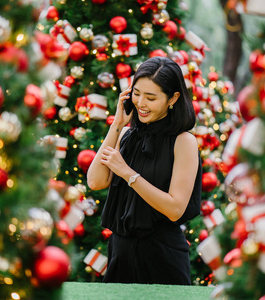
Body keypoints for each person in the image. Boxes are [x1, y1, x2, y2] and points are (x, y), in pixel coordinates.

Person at [86, 56, 202, 285]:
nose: (141, 103)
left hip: (162, 256)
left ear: (173, 98)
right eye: (136, 93)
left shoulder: (183, 141)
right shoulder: (127, 135)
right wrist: (117, 125)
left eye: (151, 97)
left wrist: (128, 174)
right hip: (121, 253)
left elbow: (175, 209)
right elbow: (95, 181)